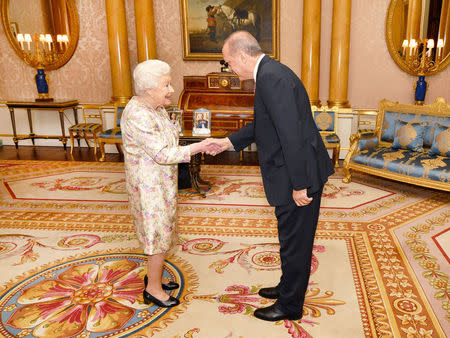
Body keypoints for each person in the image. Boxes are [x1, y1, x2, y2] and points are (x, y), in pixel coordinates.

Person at [207, 31, 335, 321]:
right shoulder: (270, 72)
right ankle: (286, 287)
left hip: (298, 175)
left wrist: (300, 185)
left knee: (296, 242)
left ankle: (290, 306)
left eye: (228, 63)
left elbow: (291, 136)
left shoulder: (271, 77)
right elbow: (264, 124)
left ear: (242, 55)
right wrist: (228, 142)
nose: (230, 70)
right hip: (294, 170)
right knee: (289, 237)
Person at [121, 60, 219, 308]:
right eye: (166, 84)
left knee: (164, 230)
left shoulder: (156, 108)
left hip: (162, 182)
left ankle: (155, 277)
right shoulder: (137, 114)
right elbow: (163, 154)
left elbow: (170, 139)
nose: (172, 89)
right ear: (148, 89)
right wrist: (199, 146)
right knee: (156, 235)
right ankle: (153, 289)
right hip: (148, 186)